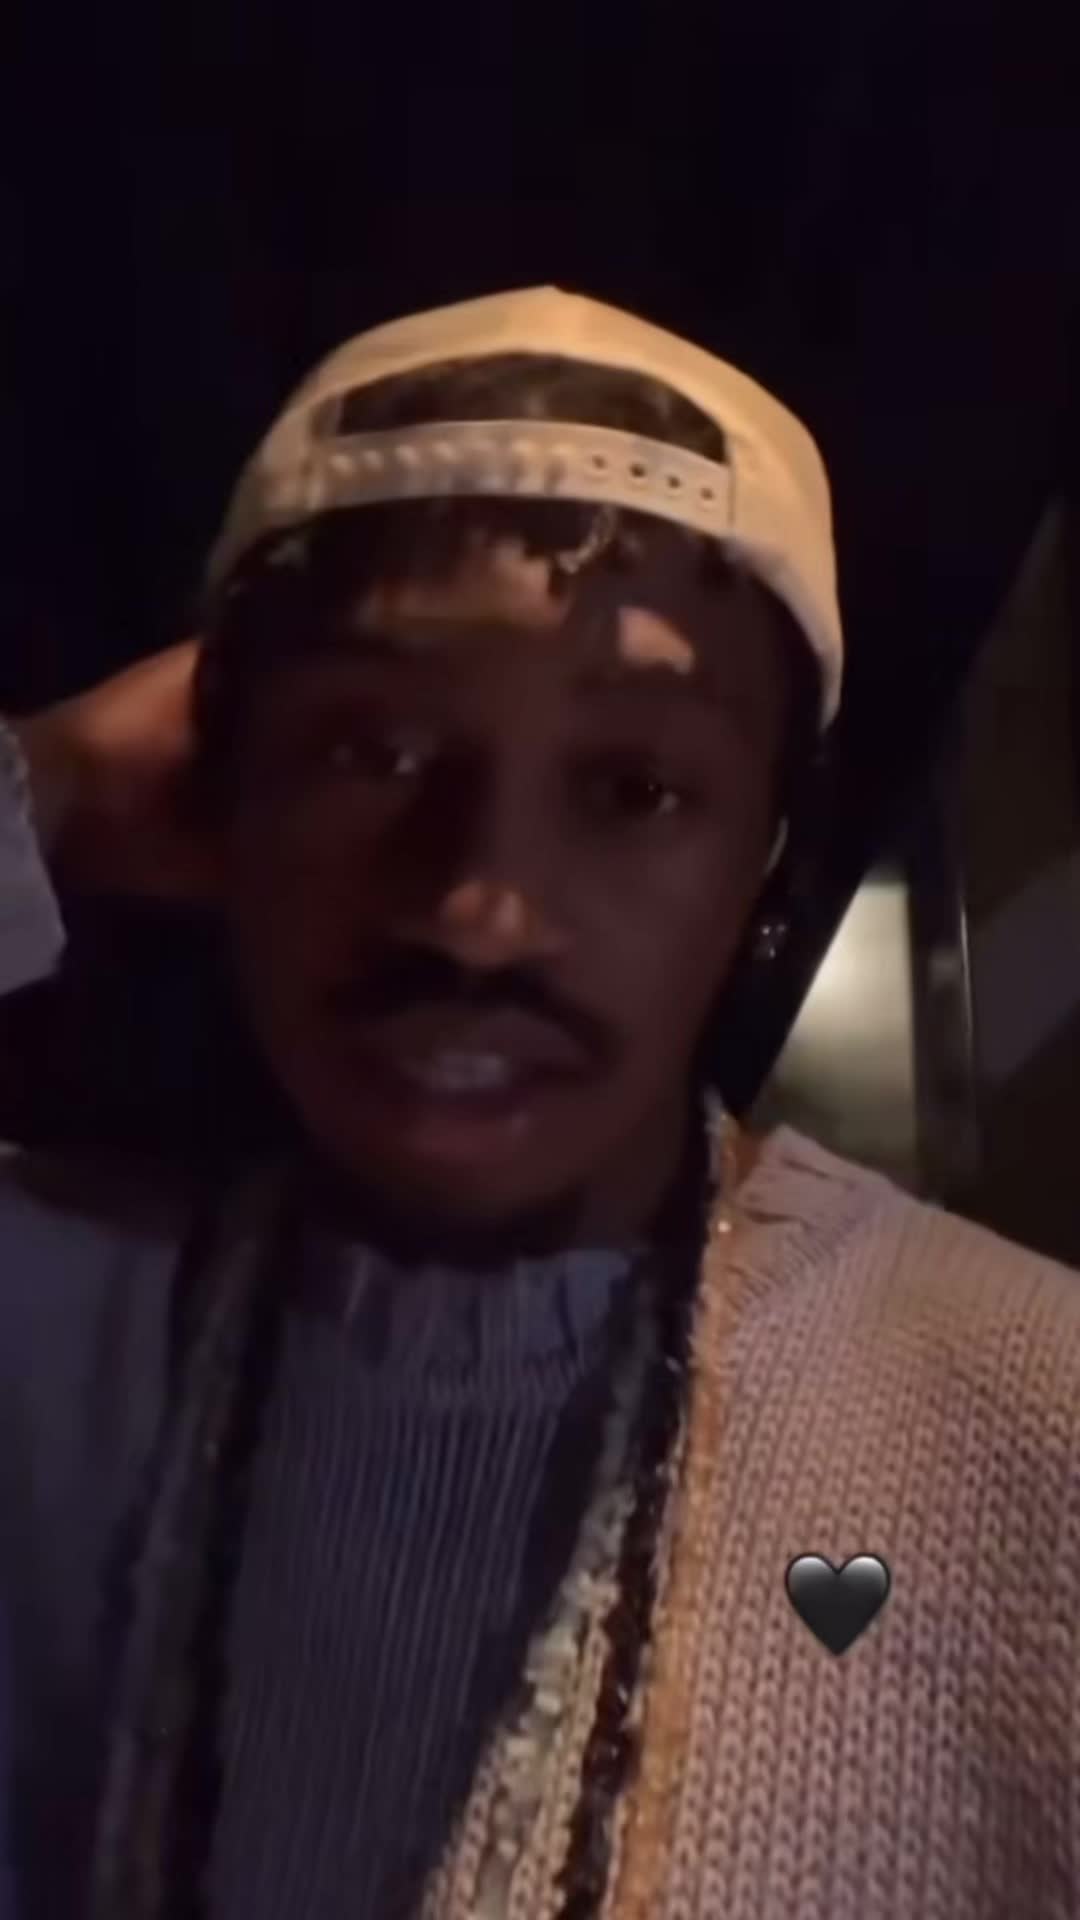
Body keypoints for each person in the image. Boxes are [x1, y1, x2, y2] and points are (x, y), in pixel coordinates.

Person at [1, 287, 1078, 1920]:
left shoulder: (1030, 1424)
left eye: (634, 788)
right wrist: (49, 789)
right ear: (220, 793)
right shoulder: (46, 1338)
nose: (481, 911)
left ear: (767, 860)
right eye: (372, 753)